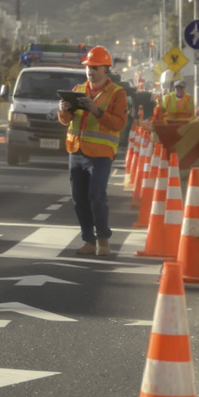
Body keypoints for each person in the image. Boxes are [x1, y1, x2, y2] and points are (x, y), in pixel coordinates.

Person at [57, 45, 128, 257]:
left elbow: (119, 124)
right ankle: (88, 241)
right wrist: (62, 111)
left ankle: (103, 240)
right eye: (88, 67)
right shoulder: (78, 90)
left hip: (101, 154)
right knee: (78, 198)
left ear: (106, 69)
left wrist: (96, 110)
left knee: (96, 196)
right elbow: (66, 121)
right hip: (76, 151)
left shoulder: (117, 93)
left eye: (95, 67)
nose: (90, 70)